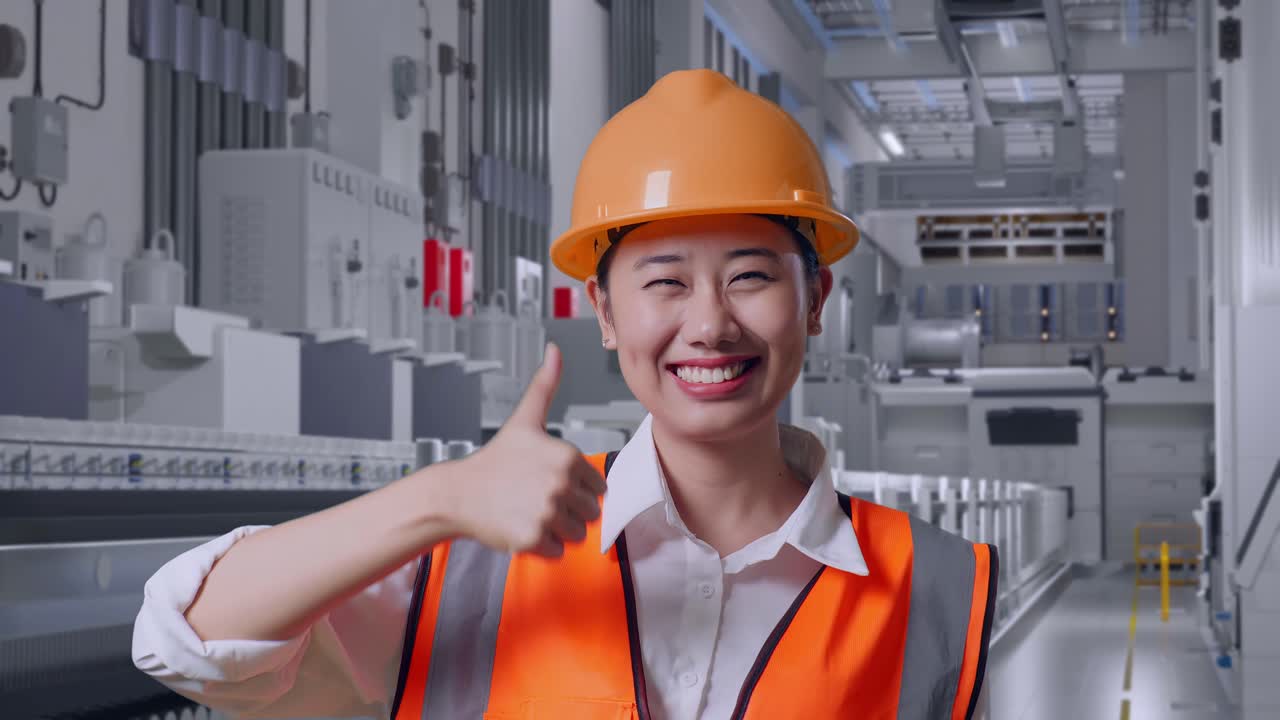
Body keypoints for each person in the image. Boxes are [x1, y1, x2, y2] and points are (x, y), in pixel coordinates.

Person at [133, 69, 996, 720]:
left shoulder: (938, 587)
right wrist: (440, 498)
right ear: (605, 312)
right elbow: (186, 638)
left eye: (749, 276)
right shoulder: (476, 557)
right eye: (664, 282)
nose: (709, 325)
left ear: (814, 301)